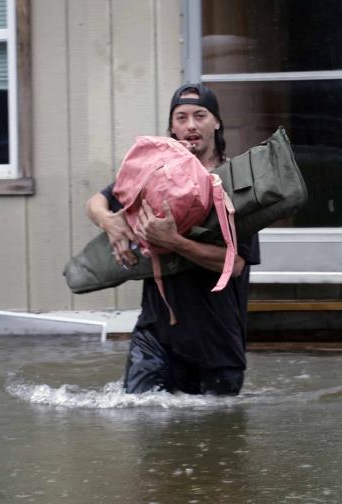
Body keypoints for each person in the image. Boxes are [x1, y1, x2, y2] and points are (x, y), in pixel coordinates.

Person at [85, 83, 260, 396]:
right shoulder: (154, 174)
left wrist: (174, 241)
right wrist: (109, 222)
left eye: (200, 115)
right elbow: (96, 202)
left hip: (215, 344)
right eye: (181, 117)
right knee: (139, 420)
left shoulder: (237, 185)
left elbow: (234, 266)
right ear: (172, 127)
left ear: (217, 122)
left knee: (217, 437)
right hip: (155, 336)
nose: (190, 125)